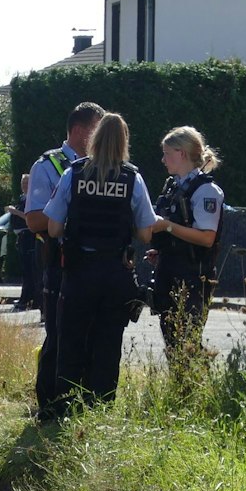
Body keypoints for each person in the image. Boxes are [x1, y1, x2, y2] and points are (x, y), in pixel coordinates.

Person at [43, 113, 158, 413]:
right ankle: (101, 410)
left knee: (71, 339)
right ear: (124, 142)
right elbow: (146, 233)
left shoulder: (74, 174)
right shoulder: (133, 178)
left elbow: (53, 228)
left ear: (93, 138)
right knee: (108, 343)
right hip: (115, 272)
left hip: (79, 271)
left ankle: (64, 408)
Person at [23, 102, 104, 410]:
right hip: (61, 262)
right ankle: (51, 403)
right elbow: (33, 220)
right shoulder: (48, 165)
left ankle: (87, 403)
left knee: (95, 339)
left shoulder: (106, 167)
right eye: (97, 128)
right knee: (59, 336)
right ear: (80, 130)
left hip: (97, 264)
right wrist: (73, 215)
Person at [148, 127, 227, 359]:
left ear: (182, 153)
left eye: (167, 153)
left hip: (193, 276)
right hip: (170, 272)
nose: (163, 160)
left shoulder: (206, 190)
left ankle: (194, 391)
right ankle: (180, 391)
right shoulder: (173, 186)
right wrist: (162, 250)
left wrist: (167, 226)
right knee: (173, 343)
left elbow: (206, 237)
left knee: (188, 344)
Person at [7, 174, 38, 310]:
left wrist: (14, 212)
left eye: (26, 183)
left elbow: (29, 217)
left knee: (30, 270)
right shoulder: (22, 198)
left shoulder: (32, 199)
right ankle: (25, 298)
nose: (24, 186)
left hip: (29, 236)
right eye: (22, 183)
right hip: (22, 237)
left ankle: (28, 300)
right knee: (25, 270)